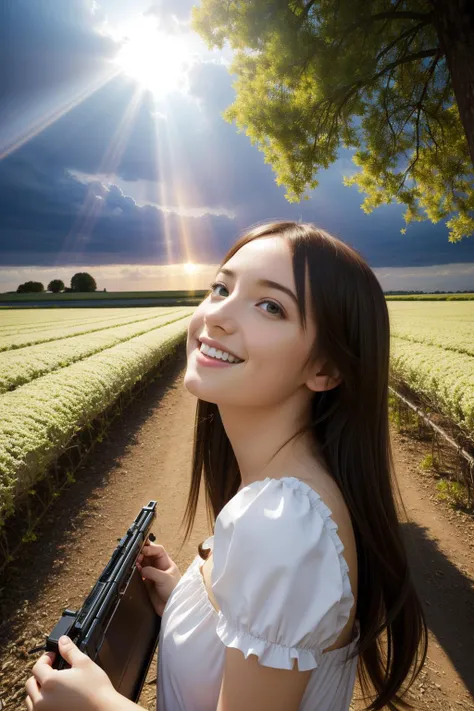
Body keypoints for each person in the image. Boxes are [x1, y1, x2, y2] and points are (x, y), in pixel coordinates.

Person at [26, 220, 428, 711]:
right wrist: (188, 596)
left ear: (324, 368)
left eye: (270, 306)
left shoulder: (282, 526)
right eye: (221, 287)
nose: (216, 315)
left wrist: (96, 706)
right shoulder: (289, 491)